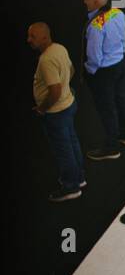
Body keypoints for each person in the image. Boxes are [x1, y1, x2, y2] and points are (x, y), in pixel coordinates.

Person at [28, 21, 85, 201]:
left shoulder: (46, 60)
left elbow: (54, 91)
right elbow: (71, 70)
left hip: (56, 112)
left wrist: (41, 109)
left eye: (32, 36)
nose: (28, 40)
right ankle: (79, 178)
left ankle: (71, 187)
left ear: (45, 37)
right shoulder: (60, 48)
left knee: (63, 150)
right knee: (72, 142)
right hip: (69, 105)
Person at [82, 0, 125, 160]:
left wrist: (89, 71)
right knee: (121, 100)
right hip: (120, 64)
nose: (84, 1)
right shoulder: (118, 13)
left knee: (106, 108)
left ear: (96, 2)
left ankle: (112, 147)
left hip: (104, 72)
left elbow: (94, 56)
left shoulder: (96, 26)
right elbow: (122, 38)